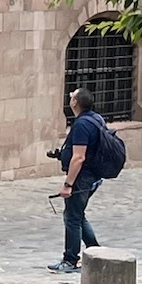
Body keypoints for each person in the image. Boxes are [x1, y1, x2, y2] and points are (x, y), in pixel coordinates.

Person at [51, 86, 105, 273]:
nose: (70, 96)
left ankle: (70, 260)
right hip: (92, 175)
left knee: (72, 218)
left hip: (82, 178)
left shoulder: (82, 125)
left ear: (75, 102)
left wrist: (68, 184)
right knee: (77, 215)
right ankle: (96, 252)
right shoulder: (96, 119)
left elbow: (79, 157)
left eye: (72, 95)